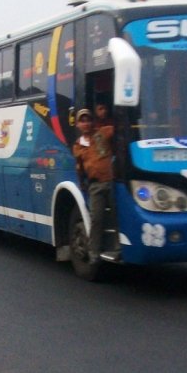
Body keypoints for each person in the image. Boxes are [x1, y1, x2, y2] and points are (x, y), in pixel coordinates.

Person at [72, 108, 116, 264]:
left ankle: (118, 248)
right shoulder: (78, 146)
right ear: (78, 124)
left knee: (117, 216)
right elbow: (79, 167)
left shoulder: (102, 133)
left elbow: (118, 129)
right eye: (82, 121)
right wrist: (82, 183)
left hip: (110, 183)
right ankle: (94, 254)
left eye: (88, 120)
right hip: (95, 186)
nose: (86, 123)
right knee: (96, 219)